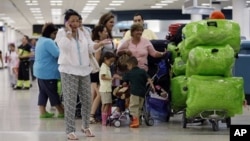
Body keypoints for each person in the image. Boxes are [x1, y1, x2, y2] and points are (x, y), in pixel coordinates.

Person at [55, 9, 111, 139]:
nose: (76, 23)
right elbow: (64, 48)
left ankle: (86, 127)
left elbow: (90, 47)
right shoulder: (61, 33)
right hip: (68, 70)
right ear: (67, 22)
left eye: (77, 20)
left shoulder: (84, 32)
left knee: (87, 100)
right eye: (72, 21)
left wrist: (100, 44)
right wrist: (69, 33)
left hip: (84, 70)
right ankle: (70, 130)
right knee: (70, 101)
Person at [33, 23, 64, 119]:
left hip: (40, 71)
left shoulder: (40, 40)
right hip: (48, 72)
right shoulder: (48, 42)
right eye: (54, 33)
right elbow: (57, 54)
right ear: (49, 33)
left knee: (43, 92)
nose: (55, 36)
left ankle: (42, 112)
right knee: (52, 92)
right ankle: (61, 111)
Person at [114, 56, 155, 128]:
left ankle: (135, 121)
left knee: (133, 107)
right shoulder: (142, 71)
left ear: (130, 65)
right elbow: (149, 78)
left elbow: (123, 78)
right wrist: (152, 86)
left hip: (134, 93)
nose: (127, 67)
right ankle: (139, 120)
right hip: (142, 93)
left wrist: (116, 76)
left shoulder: (130, 73)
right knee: (139, 107)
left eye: (127, 66)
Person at [89, 24, 109, 124]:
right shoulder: (98, 43)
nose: (106, 33)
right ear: (99, 33)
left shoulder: (94, 43)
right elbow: (96, 59)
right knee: (100, 94)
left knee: (94, 94)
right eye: (104, 31)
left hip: (93, 71)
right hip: (96, 72)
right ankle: (91, 115)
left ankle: (90, 114)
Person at [99, 52, 116, 126]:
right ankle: (104, 119)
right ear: (105, 59)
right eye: (110, 61)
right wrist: (111, 78)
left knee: (107, 104)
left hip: (106, 88)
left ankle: (105, 118)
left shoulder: (106, 67)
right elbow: (102, 77)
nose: (111, 63)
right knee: (106, 104)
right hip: (105, 89)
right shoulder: (104, 67)